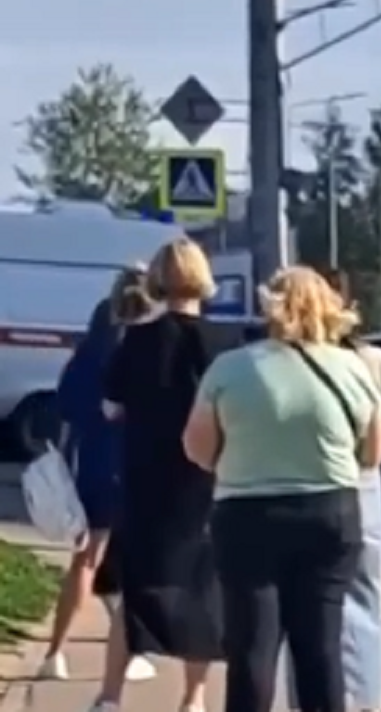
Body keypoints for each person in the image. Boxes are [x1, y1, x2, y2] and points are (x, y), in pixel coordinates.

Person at [182, 266, 381, 712]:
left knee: (252, 649)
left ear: (268, 306)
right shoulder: (353, 368)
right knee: (321, 650)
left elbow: (196, 448)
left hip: (247, 517)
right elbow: (373, 454)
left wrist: (242, 463)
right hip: (330, 514)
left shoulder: (231, 367)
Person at [88, 238, 225, 712]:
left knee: (137, 589)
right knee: (203, 592)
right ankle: (193, 698)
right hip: (206, 480)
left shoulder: (138, 339)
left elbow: (109, 407)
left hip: (145, 476)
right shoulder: (222, 342)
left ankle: (110, 697)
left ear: (158, 281)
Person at [283, 268, 381, 712]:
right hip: (360, 491)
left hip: (299, 487)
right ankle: (368, 704)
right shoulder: (375, 362)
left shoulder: (279, 361)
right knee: (365, 606)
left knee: (303, 612)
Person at [38, 267, 156, 684]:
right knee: (140, 562)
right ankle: (131, 651)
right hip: (137, 468)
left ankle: (55, 653)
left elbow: (66, 416)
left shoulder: (88, 353)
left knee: (87, 560)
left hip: (93, 465)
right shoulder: (149, 351)